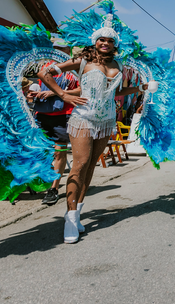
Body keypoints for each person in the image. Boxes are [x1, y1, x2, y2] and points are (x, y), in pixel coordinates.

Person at [39, 22, 148, 244]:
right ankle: (70, 218)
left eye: (110, 41)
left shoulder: (118, 64)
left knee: (90, 166)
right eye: (102, 40)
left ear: (115, 44)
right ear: (95, 42)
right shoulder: (82, 61)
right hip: (83, 118)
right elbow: (44, 73)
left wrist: (140, 88)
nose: (105, 43)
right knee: (79, 165)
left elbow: (117, 92)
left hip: (106, 120)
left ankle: (77, 213)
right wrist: (63, 95)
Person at [32, 66, 79, 206]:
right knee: (38, 151)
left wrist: (55, 93)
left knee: (59, 152)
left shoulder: (74, 68)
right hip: (42, 113)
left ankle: (54, 189)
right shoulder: (44, 67)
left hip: (64, 115)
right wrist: (36, 94)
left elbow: (81, 90)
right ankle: (44, 180)